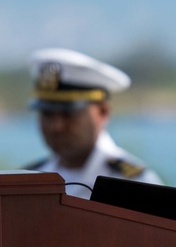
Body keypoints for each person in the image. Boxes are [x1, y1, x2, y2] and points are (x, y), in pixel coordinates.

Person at [28, 47, 161, 197]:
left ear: (103, 112)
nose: (56, 126)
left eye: (68, 114)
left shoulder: (135, 184)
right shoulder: (25, 181)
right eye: (47, 114)